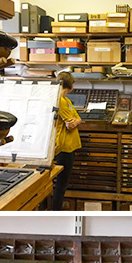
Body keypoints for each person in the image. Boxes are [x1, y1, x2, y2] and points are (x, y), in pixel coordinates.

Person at [51, 71, 82, 211]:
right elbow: (70, 124)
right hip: (64, 147)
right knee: (61, 184)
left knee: (62, 183)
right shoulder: (60, 101)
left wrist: (76, 121)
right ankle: (55, 212)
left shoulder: (67, 101)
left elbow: (77, 118)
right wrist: (75, 121)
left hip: (69, 147)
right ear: (71, 85)